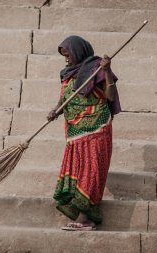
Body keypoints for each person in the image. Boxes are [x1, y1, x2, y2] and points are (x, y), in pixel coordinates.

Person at [47, 35, 121, 231]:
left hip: (96, 128)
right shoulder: (67, 73)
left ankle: (83, 219)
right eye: (64, 56)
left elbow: (109, 96)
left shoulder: (96, 68)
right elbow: (65, 98)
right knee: (77, 171)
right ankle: (84, 217)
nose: (66, 59)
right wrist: (56, 110)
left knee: (91, 170)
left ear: (79, 52)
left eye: (68, 55)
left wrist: (107, 71)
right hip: (74, 131)